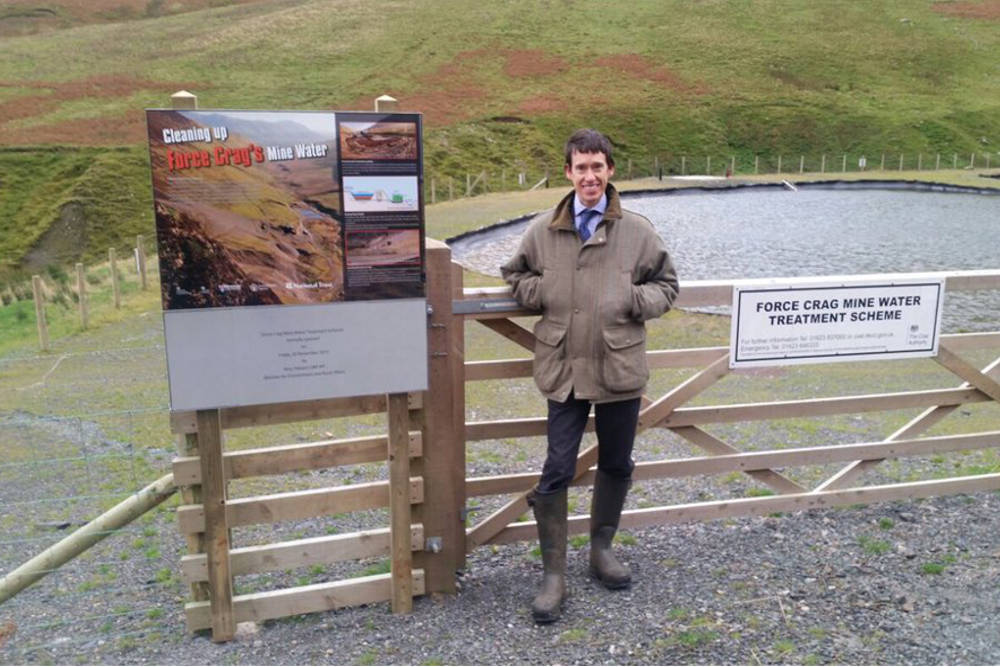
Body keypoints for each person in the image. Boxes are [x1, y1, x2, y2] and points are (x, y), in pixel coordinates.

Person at [501, 128, 679, 623]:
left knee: (617, 462)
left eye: (598, 166)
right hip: (564, 369)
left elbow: (667, 285)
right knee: (557, 468)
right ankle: (553, 575)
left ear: (610, 171)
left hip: (620, 366)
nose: (590, 176)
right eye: (581, 167)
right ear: (568, 172)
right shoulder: (542, 230)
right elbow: (514, 274)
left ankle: (601, 551)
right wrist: (541, 295)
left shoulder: (638, 231)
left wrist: (631, 301)